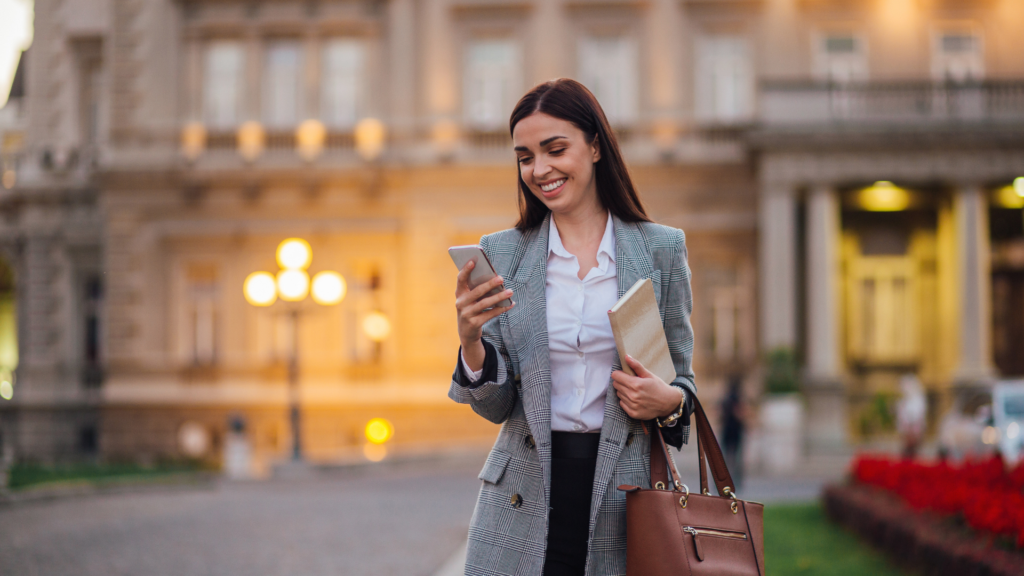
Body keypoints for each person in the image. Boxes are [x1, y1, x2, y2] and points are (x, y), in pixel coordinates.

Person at [449, 79, 698, 576]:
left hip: (626, 493)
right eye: (524, 157)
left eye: (555, 149)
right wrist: (471, 341)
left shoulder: (661, 250)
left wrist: (669, 402)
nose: (539, 170)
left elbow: (681, 383)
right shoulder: (503, 254)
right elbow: (497, 409)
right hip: (521, 496)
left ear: (596, 146)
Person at [719, 375, 747, 490]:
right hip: (736, 431)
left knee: (724, 460)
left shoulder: (725, 400)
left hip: (726, 431)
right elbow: (741, 414)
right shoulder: (738, 399)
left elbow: (718, 414)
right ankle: (736, 482)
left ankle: (722, 481)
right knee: (737, 459)